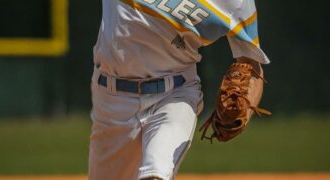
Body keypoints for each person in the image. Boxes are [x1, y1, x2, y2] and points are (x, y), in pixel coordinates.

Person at [89, 0, 269, 179]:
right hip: (111, 99)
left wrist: (243, 109)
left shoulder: (237, 3)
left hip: (175, 95)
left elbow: (251, 63)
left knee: (156, 174)